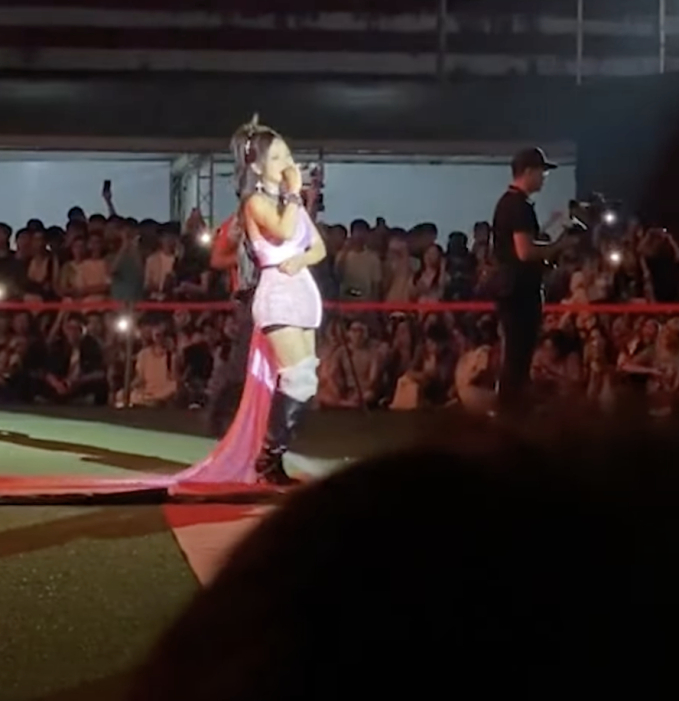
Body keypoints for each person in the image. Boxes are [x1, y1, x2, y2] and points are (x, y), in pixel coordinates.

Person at [188, 115, 326, 487]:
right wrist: (295, 194)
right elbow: (283, 229)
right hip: (276, 295)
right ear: (257, 166)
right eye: (278, 158)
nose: (287, 164)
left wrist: (301, 258)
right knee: (295, 376)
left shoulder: (290, 203)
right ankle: (268, 457)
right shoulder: (255, 203)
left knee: (307, 378)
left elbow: (318, 246)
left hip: (301, 290)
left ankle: (271, 454)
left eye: (288, 156)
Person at [491, 147, 575, 414]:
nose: (543, 179)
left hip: (512, 290)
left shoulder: (509, 203)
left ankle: (509, 413)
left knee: (516, 357)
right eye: (541, 173)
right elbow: (525, 252)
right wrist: (558, 245)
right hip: (520, 292)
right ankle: (509, 414)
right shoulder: (519, 206)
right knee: (518, 357)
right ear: (528, 172)